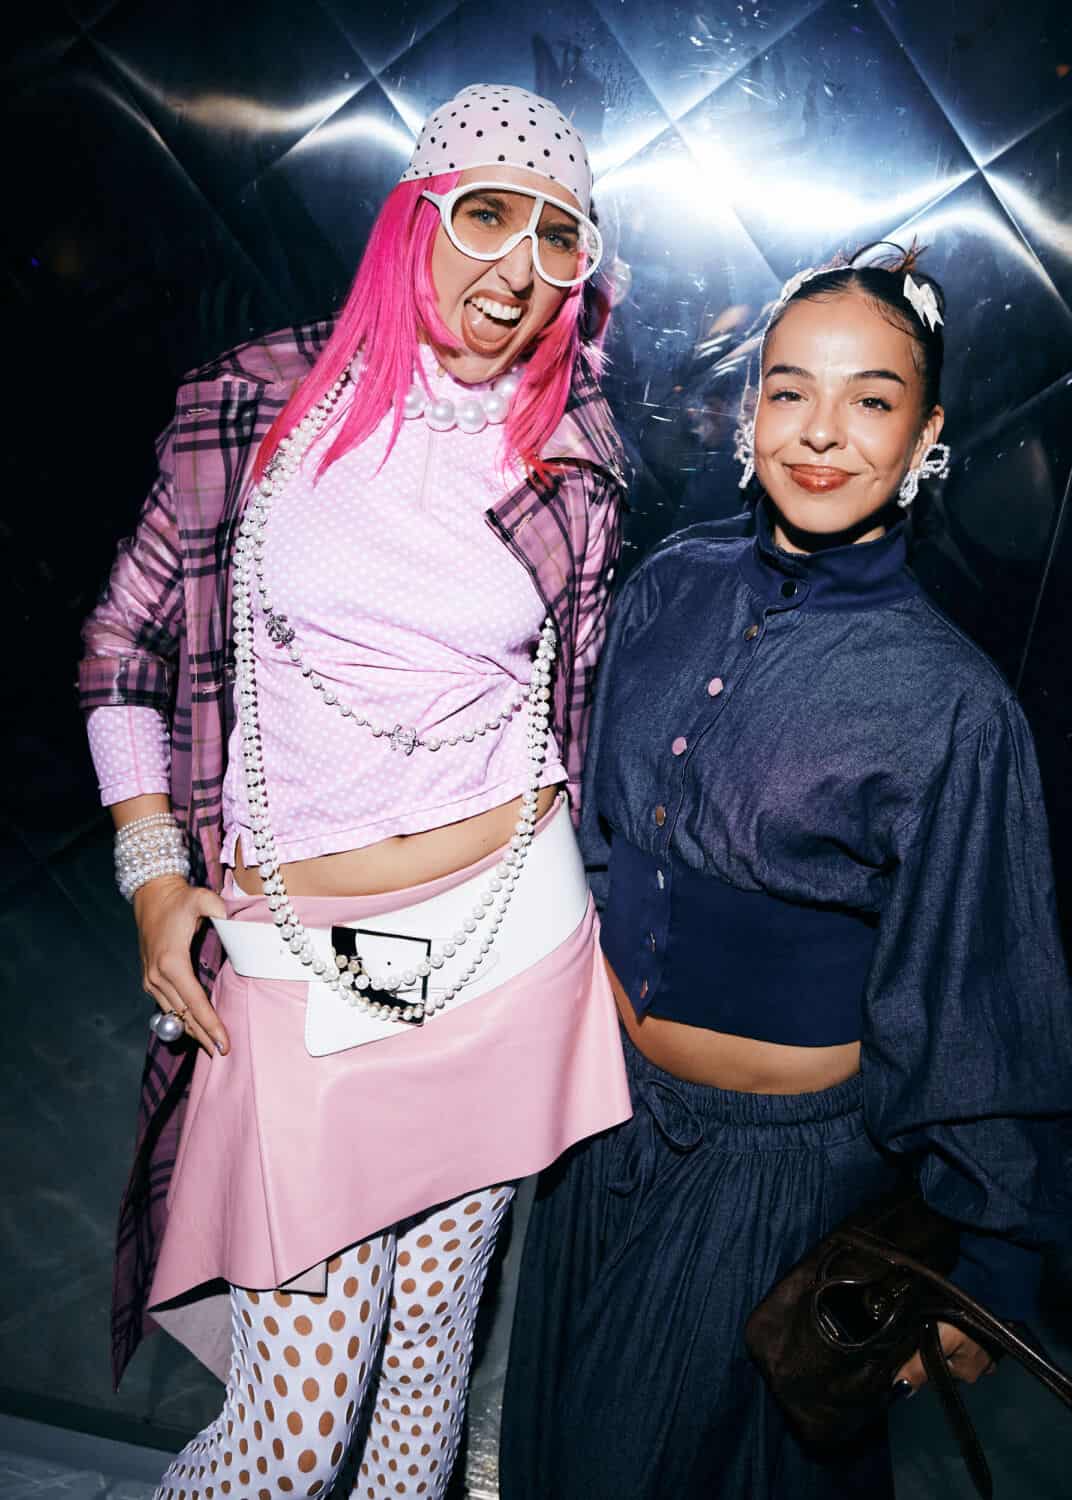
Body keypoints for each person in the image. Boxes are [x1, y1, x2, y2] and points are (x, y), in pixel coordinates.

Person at [78, 83, 632, 1500]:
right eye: (486, 215)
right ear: (411, 218)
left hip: (508, 944)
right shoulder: (255, 403)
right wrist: (153, 873)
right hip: (306, 965)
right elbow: (122, 650)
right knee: (293, 1438)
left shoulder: (572, 456)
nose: (516, 265)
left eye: (557, 238)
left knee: (429, 1365)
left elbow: (583, 701)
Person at [499, 246, 1072, 1498]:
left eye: (870, 399)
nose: (821, 431)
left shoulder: (951, 704)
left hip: (769, 1177)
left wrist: (990, 1273)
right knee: (551, 1453)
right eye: (789, 390)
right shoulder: (670, 586)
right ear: (749, 410)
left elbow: (981, 999)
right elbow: (598, 838)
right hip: (597, 1123)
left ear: (927, 434)